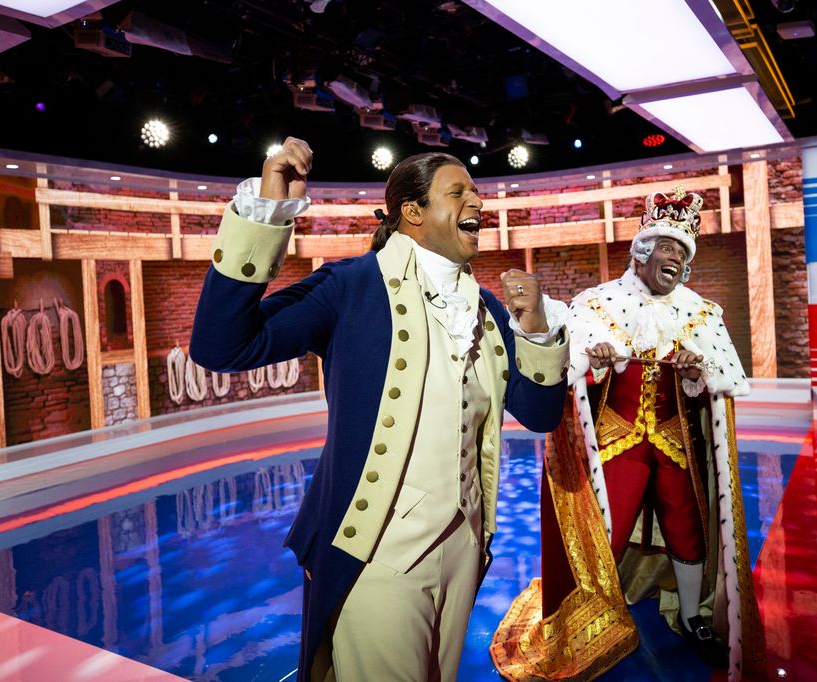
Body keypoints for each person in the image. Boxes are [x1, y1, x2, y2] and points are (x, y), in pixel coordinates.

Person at [189, 137, 570, 681]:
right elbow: (221, 345)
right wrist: (268, 216)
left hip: (464, 547)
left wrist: (533, 332)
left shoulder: (486, 308)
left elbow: (539, 414)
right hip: (377, 551)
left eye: (476, 191)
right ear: (412, 213)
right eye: (457, 192)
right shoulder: (351, 286)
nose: (477, 202)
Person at [491, 187, 764, 681]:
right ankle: (591, 613)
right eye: (669, 248)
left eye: (683, 254)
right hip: (616, 440)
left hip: (676, 439)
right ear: (643, 250)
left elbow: (723, 379)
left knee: (688, 527)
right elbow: (567, 370)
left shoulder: (703, 311)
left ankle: (692, 615)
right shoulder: (597, 303)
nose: (676, 259)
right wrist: (594, 362)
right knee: (606, 528)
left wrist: (694, 370)